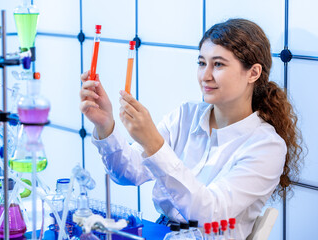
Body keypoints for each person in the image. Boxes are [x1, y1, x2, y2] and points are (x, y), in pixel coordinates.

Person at [79, 18, 303, 239]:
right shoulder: (186, 115)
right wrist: (105, 123)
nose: (205, 76)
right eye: (202, 63)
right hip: (162, 232)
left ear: (253, 73)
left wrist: (154, 144)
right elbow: (128, 174)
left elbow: (210, 215)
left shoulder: (266, 146)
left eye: (218, 64)